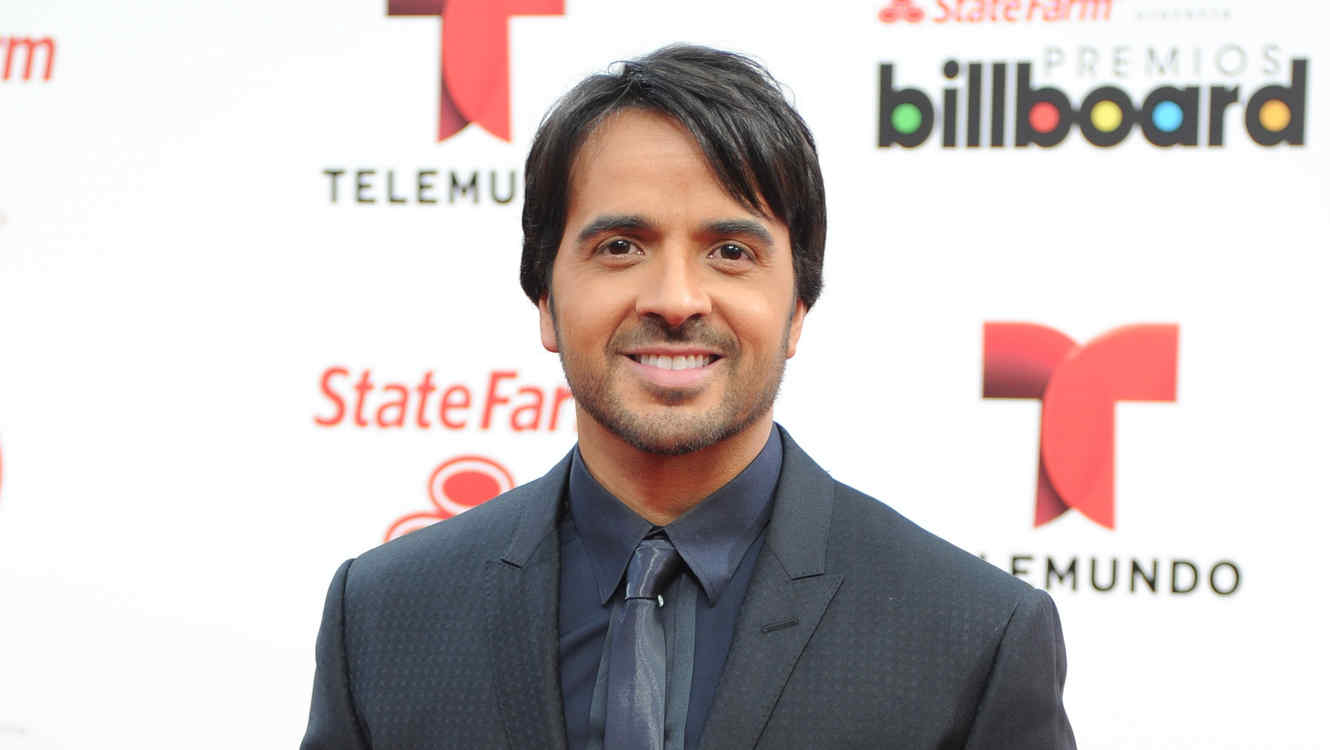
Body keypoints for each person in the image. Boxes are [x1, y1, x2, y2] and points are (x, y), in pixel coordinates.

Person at [300, 45, 1075, 750]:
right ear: (544, 298)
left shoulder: (972, 635)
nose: (675, 298)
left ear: (799, 308)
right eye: (621, 247)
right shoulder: (382, 619)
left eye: (731, 251)